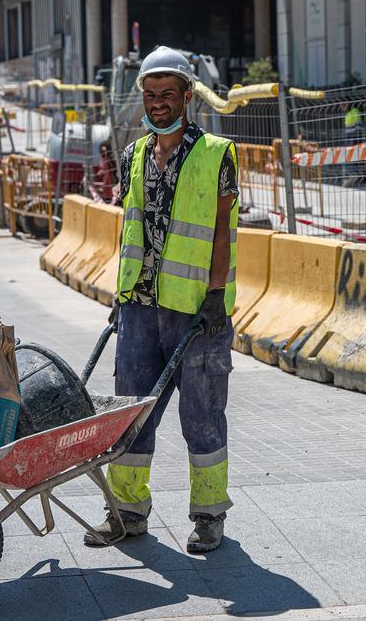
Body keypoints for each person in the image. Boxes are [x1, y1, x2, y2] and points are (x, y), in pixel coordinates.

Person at [85, 46, 239, 554]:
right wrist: (121, 293)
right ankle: (127, 512)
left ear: (187, 96)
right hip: (139, 309)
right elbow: (130, 231)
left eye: (166, 95)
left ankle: (209, 516)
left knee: (202, 414)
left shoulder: (217, 153)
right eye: (150, 96)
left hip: (198, 313)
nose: (157, 104)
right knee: (129, 414)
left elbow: (220, 233)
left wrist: (216, 295)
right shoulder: (132, 154)